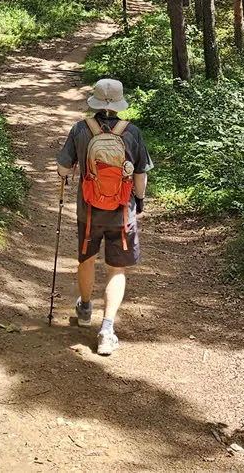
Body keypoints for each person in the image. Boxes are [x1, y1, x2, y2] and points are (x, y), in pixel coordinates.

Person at [55, 77, 152, 356]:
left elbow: (63, 168)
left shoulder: (80, 130)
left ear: (95, 102)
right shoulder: (131, 132)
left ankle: (85, 308)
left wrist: (67, 176)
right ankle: (107, 329)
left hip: (89, 209)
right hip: (122, 211)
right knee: (116, 268)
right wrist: (140, 200)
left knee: (86, 259)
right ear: (119, 103)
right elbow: (140, 175)